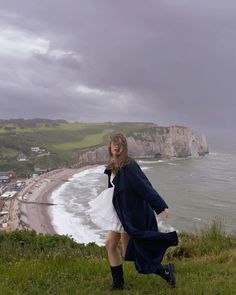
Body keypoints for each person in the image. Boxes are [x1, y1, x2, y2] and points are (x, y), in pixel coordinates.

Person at [88, 132, 178, 290]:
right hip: (118, 211)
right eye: (114, 145)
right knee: (110, 245)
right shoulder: (113, 164)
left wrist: (161, 205)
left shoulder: (129, 167)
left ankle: (165, 271)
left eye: (120, 145)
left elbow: (145, 187)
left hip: (129, 214)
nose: (116, 148)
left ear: (124, 148)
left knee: (134, 252)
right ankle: (118, 285)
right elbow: (114, 188)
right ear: (110, 146)